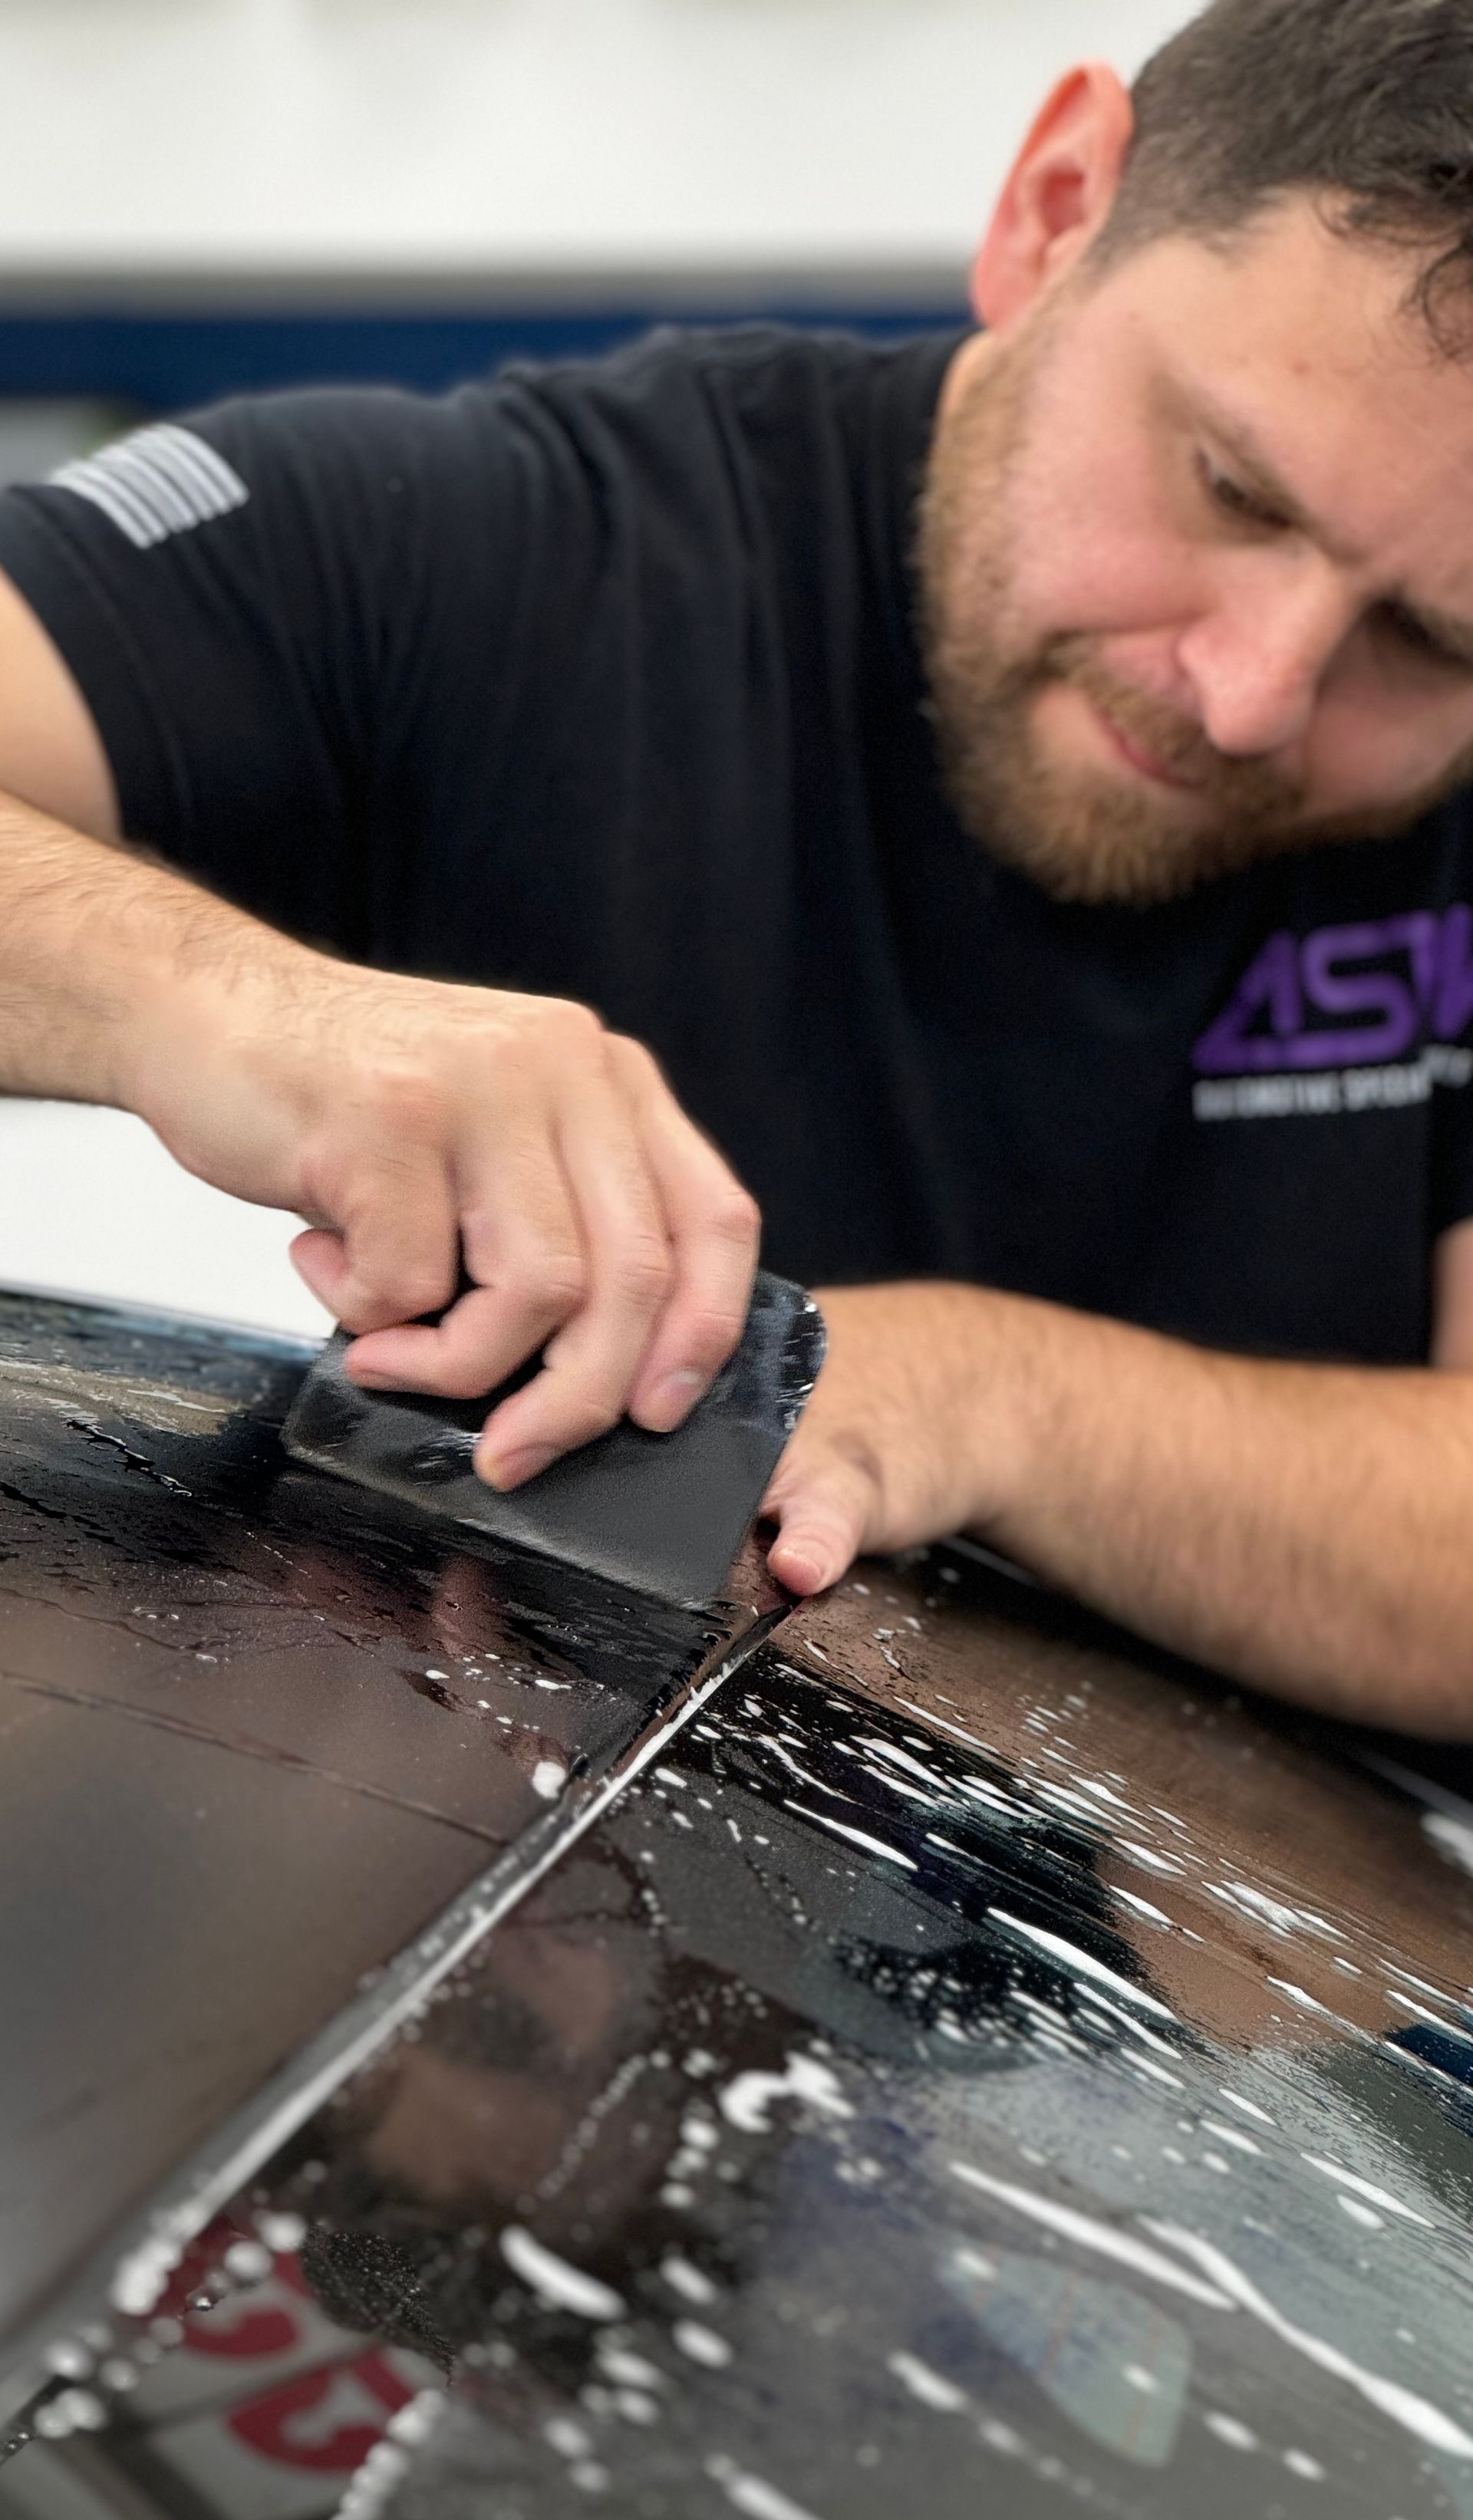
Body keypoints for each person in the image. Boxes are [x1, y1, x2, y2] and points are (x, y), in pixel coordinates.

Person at [0, 0, 1470, 1737]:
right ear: (1060, 205)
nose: (1253, 693)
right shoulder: (497, 555)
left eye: (1428, 640)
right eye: (1230, 488)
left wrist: (988, 1399)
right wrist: (228, 1007)